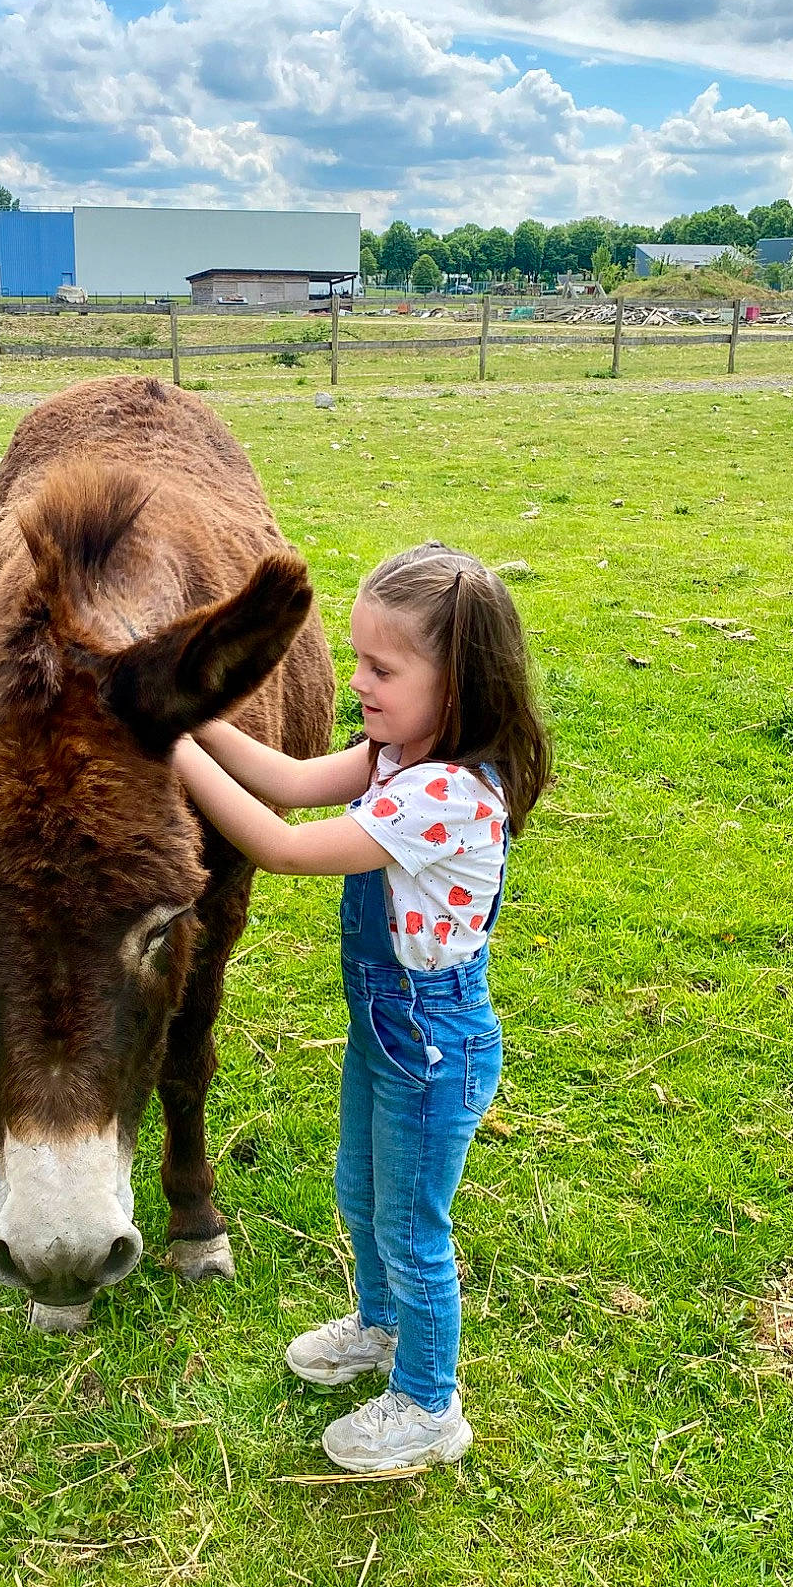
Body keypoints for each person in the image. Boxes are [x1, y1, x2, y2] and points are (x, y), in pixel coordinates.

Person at [171, 543, 549, 1472]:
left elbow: (284, 844)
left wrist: (173, 744)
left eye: (382, 667)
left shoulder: (444, 795)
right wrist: (195, 713)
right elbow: (293, 781)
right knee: (360, 1190)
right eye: (356, 657)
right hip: (387, 1030)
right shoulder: (395, 753)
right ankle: (382, 1331)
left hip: (432, 1040)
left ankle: (429, 1404)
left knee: (412, 1227)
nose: (356, 682)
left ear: (456, 682)